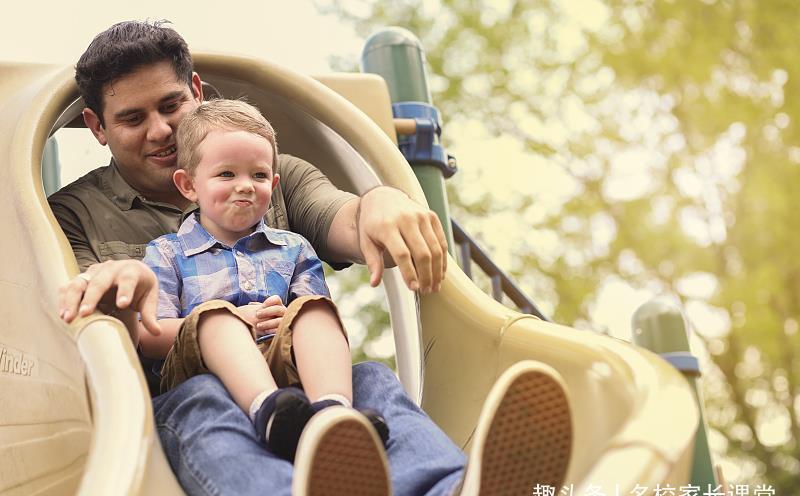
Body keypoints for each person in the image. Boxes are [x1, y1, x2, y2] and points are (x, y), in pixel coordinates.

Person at [50, 20, 573, 495]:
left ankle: (450, 488)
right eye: (132, 119)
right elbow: (93, 323)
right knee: (203, 404)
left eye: (170, 106)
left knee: (370, 381)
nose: (160, 130)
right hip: (181, 396)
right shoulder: (75, 213)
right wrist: (121, 287)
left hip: (297, 381)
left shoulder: (271, 178)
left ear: (195, 92)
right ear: (98, 127)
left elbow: (339, 216)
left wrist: (379, 202)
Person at [138, 98, 388, 462]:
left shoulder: (294, 249)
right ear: (189, 185)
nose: (245, 186)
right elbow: (148, 334)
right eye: (227, 174)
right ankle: (269, 413)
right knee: (216, 317)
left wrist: (283, 317)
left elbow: (312, 322)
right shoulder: (167, 253)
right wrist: (235, 319)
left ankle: (332, 416)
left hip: (283, 363)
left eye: (257, 175)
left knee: (315, 310)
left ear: (272, 183)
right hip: (201, 370)